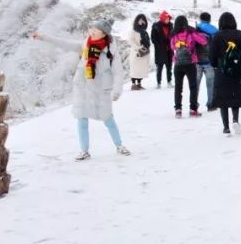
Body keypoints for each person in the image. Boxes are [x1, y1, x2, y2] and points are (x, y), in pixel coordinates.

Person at [32, 20, 130, 161]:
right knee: (81, 118)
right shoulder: (86, 43)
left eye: (95, 29)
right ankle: (84, 151)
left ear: (103, 33)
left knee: (108, 118)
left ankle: (119, 145)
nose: (92, 31)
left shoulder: (110, 50)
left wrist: (117, 90)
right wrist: (43, 37)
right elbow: (64, 43)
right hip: (83, 86)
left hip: (101, 88)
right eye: (92, 28)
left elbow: (118, 71)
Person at [210, 12, 241, 136]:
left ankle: (226, 128)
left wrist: (216, 64)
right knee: (235, 96)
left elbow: (212, 55)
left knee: (223, 98)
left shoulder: (217, 37)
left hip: (222, 72)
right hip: (237, 72)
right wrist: (239, 62)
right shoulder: (240, 35)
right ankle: (235, 120)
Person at [169, 15, 208, 118]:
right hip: (190, 63)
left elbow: (172, 47)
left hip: (178, 64)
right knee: (193, 87)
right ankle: (193, 109)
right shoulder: (191, 33)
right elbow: (204, 41)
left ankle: (178, 110)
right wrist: (196, 31)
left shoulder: (173, 35)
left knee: (178, 88)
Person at [196, 12, 218, 111]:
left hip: (197, 62)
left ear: (201, 19)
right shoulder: (215, 31)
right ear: (209, 20)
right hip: (209, 62)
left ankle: (194, 105)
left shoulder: (195, 29)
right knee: (211, 85)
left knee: (195, 85)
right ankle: (211, 105)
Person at [127, 13, 152, 90]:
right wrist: (138, 48)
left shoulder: (144, 31)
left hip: (144, 53)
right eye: (140, 20)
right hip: (136, 53)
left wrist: (147, 47)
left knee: (141, 69)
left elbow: (148, 41)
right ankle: (133, 84)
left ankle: (139, 84)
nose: (142, 22)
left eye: (143, 20)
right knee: (135, 69)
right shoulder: (133, 31)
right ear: (137, 21)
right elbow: (130, 40)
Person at [150, 11, 173, 88]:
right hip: (160, 50)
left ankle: (169, 82)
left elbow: (173, 36)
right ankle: (158, 83)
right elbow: (153, 38)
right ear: (163, 18)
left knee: (169, 67)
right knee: (159, 68)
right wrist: (159, 45)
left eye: (169, 18)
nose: (168, 20)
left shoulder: (171, 26)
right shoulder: (156, 26)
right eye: (166, 18)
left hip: (169, 50)